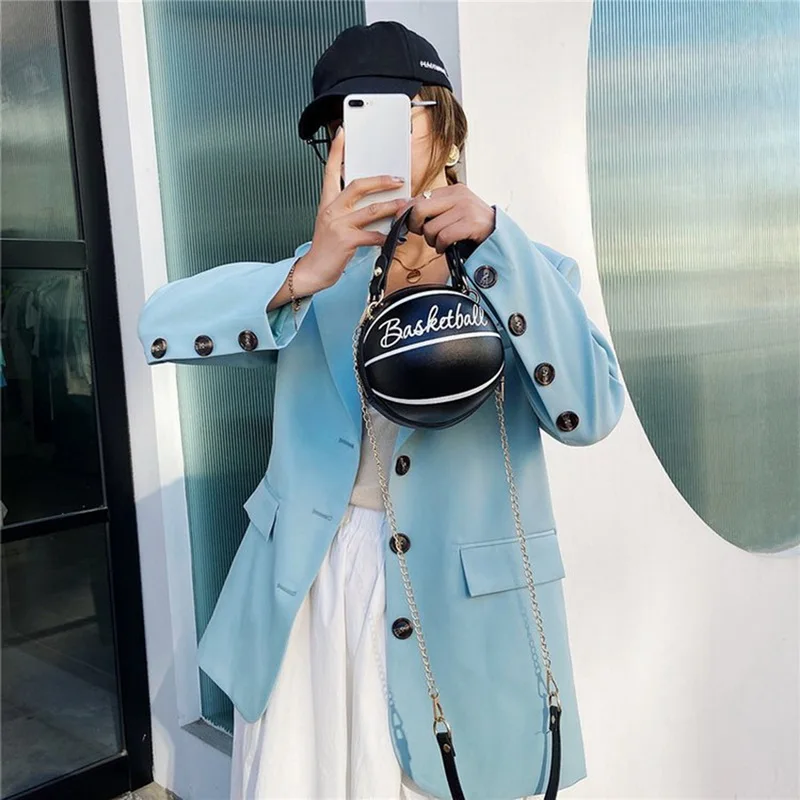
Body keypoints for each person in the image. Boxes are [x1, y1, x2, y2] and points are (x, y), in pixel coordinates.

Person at [138, 20, 625, 800]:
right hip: (310, 595)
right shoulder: (317, 283)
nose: (354, 138)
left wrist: (496, 244)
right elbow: (158, 325)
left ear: (447, 129)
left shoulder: (526, 273)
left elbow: (591, 412)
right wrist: (308, 268)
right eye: (339, 124)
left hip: (458, 611)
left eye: (386, 116)